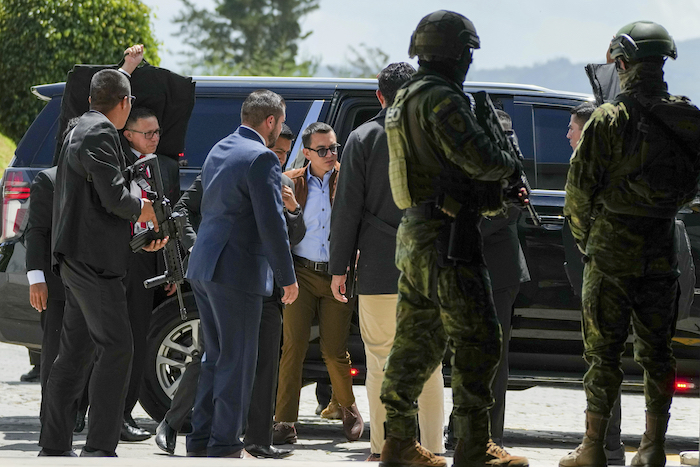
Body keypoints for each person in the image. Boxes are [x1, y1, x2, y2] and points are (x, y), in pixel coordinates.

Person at [379, 10, 529, 467]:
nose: (468, 60)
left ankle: (399, 441)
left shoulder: (406, 97)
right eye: (466, 51)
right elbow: (482, 159)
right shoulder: (442, 99)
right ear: (453, 53)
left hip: (418, 235)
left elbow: (445, 170)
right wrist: (505, 157)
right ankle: (473, 444)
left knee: (417, 340)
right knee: (480, 339)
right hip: (449, 239)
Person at [560, 21, 700, 467]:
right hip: (661, 252)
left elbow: (577, 195)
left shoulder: (608, 119)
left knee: (602, 355)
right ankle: (653, 447)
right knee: (658, 352)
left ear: (622, 63)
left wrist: (590, 244)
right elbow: (689, 190)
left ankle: (593, 449)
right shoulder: (685, 117)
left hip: (610, 256)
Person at [155, 123, 303, 459]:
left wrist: (292, 209)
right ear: (270, 127)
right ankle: (217, 441)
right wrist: (198, 249)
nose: (278, 158)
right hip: (235, 275)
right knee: (229, 362)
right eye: (276, 149)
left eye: (284, 153)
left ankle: (241, 440)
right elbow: (192, 211)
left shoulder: (235, 157)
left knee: (241, 362)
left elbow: (288, 230)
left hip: (255, 281)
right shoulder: (246, 161)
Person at [39, 64, 164, 457]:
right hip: (92, 262)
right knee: (118, 347)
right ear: (125, 103)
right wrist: (147, 211)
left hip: (82, 258)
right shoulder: (99, 133)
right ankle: (99, 449)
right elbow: (115, 199)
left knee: (75, 354)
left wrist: (137, 236)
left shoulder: (79, 127)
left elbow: (97, 202)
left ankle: (55, 445)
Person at [328, 62, 446, 461]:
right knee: (430, 367)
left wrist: (338, 268)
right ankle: (432, 447)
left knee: (379, 362)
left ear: (380, 96)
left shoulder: (362, 138)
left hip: (379, 269)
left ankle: (383, 449)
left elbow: (346, 210)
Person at [273, 122, 363, 445]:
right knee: (293, 346)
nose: (330, 155)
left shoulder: (348, 179)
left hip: (338, 272)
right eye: (322, 149)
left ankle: (348, 407)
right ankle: (284, 421)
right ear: (306, 153)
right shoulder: (292, 181)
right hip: (301, 274)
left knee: (333, 349)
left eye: (334, 148)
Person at [562, 102, 626, 466]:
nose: (568, 134)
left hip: (599, 277)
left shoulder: (591, 168)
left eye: (572, 127)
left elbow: (578, 222)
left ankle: (604, 444)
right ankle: (605, 443)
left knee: (601, 360)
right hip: (604, 274)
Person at [119, 106, 181, 442]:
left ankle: (124, 412)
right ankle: (108, 412)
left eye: (157, 132)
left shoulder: (166, 167)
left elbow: (171, 218)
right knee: (119, 342)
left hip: (151, 263)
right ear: (128, 134)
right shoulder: (116, 160)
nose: (155, 139)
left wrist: (170, 269)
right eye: (147, 133)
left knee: (139, 339)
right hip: (120, 262)